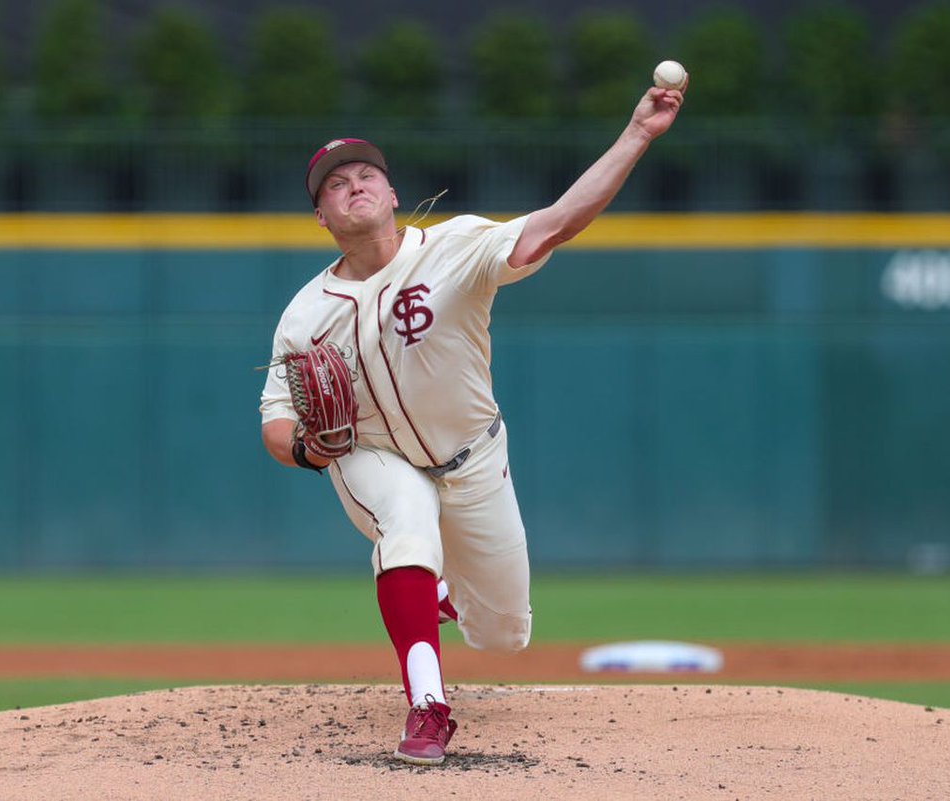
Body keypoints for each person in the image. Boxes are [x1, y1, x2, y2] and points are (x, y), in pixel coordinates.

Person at [259, 76, 686, 765]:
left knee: (504, 633)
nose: (355, 186)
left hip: (473, 456)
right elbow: (276, 426)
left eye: (367, 174)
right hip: (372, 455)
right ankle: (428, 706)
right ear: (322, 217)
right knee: (406, 518)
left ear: (394, 195)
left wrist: (638, 133)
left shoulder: (455, 247)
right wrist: (311, 450)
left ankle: (444, 592)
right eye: (336, 185)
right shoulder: (305, 314)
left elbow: (558, 220)